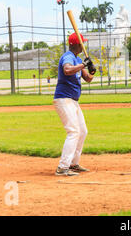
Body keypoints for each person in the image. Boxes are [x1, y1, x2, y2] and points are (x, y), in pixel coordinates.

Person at [53, 32, 96, 176]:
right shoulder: (68, 57)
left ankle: (73, 163)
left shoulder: (76, 59)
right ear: (76, 44)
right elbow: (67, 70)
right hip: (64, 99)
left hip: (73, 101)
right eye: (82, 43)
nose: (83, 45)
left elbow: (87, 79)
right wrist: (83, 64)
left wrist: (91, 70)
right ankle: (62, 167)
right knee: (73, 131)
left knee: (82, 131)